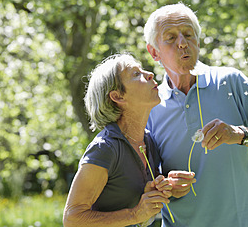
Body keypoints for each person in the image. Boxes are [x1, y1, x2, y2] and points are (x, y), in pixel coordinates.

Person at [144, 3, 248, 227]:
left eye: (188, 34)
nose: (183, 43)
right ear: (154, 52)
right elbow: (144, 178)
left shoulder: (231, 81)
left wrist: (238, 134)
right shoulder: (149, 103)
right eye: (171, 37)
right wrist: (165, 185)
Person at [63, 54, 174, 227]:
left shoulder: (148, 141)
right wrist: (135, 214)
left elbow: (141, 215)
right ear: (118, 96)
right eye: (135, 74)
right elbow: (72, 219)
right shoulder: (104, 148)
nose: (149, 74)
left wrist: (169, 186)